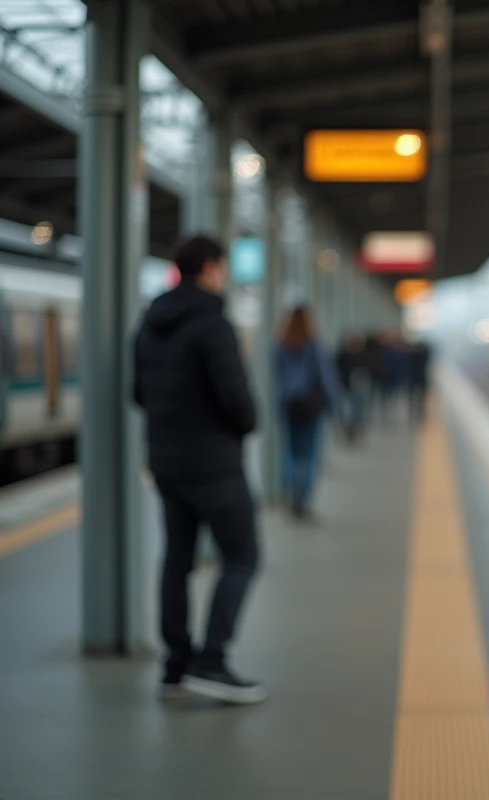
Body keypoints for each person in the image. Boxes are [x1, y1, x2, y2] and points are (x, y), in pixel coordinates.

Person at [133, 234, 267, 705]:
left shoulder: (150, 323)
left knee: (177, 559)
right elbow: (236, 399)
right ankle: (211, 661)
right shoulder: (213, 323)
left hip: (167, 462)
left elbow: (138, 393)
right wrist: (249, 421)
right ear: (211, 268)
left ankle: (176, 667)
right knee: (243, 554)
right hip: (214, 465)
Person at [274, 305, 341, 520]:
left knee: (291, 451)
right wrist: (334, 405)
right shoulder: (314, 345)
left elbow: (277, 377)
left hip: (289, 405)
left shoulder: (280, 345)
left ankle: (291, 492)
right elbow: (325, 378)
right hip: (311, 405)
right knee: (309, 453)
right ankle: (303, 498)